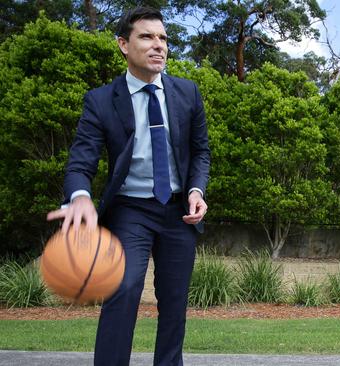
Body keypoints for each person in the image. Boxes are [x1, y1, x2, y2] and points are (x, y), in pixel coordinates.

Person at [46, 6, 210, 366]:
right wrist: (80, 196)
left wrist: (197, 190)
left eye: (163, 38)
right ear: (123, 44)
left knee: (175, 302)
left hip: (179, 211)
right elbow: (80, 162)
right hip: (130, 210)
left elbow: (200, 152)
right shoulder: (102, 100)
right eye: (147, 37)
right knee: (123, 289)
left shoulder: (187, 93)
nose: (159, 46)